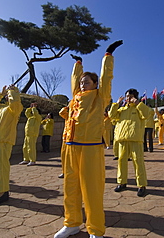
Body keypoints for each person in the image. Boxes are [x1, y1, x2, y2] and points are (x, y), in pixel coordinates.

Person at [54, 40, 122, 238]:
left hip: (90, 147)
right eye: (82, 81)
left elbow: (106, 78)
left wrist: (108, 55)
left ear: (95, 85)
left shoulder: (100, 98)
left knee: (92, 190)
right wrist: (78, 64)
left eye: (87, 81)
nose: (83, 84)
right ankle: (72, 223)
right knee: (70, 187)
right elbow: (74, 82)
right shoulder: (74, 98)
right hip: (69, 146)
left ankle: (96, 230)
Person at [109, 88, 149, 197]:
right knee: (121, 161)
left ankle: (141, 185)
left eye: (130, 96)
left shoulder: (139, 108)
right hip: (122, 139)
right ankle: (122, 183)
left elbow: (147, 114)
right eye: (127, 96)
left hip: (135, 139)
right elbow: (111, 115)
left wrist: (138, 103)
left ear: (135, 97)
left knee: (138, 162)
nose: (128, 98)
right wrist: (116, 104)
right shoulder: (122, 110)